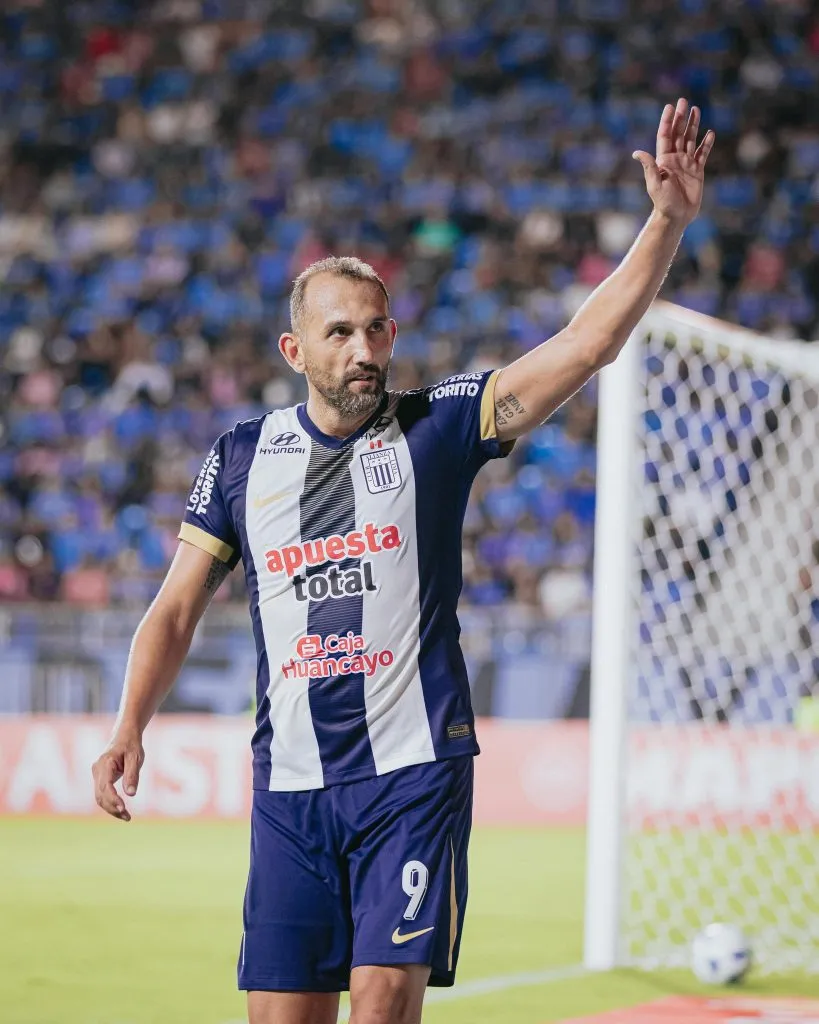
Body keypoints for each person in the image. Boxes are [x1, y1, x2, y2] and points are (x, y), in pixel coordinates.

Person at [93, 99, 714, 1024]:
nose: (364, 349)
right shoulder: (238, 457)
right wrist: (129, 723)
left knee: (383, 1011)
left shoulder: (438, 428)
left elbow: (586, 346)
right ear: (293, 349)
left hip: (414, 776)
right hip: (290, 787)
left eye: (377, 328)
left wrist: (664, 222)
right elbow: (176, 608)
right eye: (340, 333)